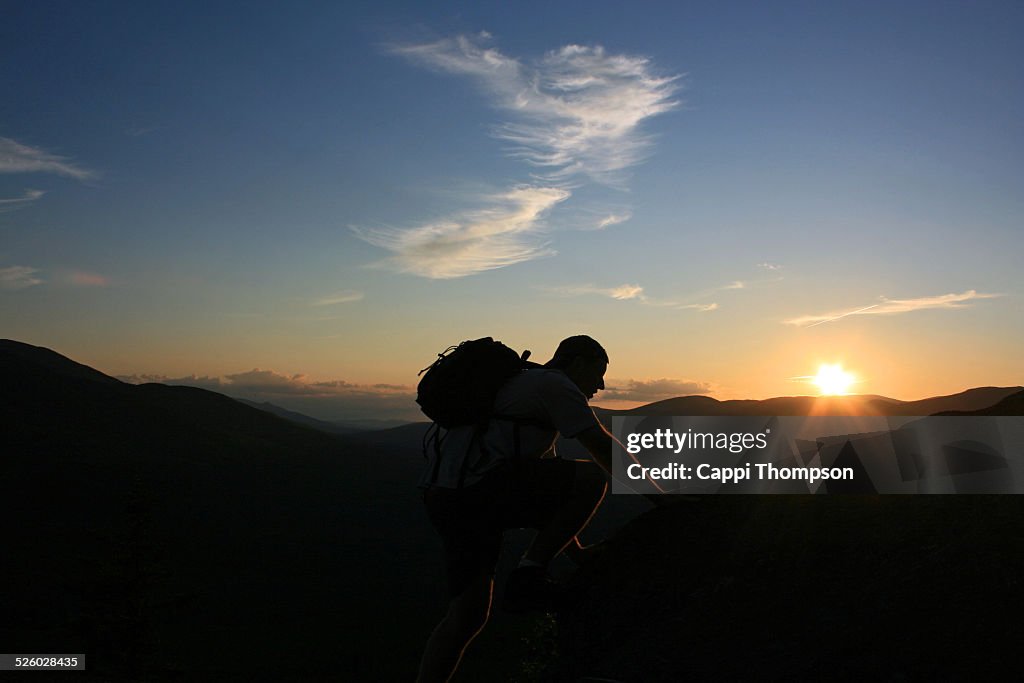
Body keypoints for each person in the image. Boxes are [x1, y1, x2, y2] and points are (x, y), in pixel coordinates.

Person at [416, 335, 657, 683]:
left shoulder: (524, 385)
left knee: (467, 615)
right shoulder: (553, 384)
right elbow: (602, 447)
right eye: (598, 373)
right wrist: (660, 497)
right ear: (576, 363)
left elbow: (551, 493)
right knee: (590, 476)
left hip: (446, 497)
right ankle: (530, 576)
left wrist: (575, 553)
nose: (600, 385)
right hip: (479, 494)